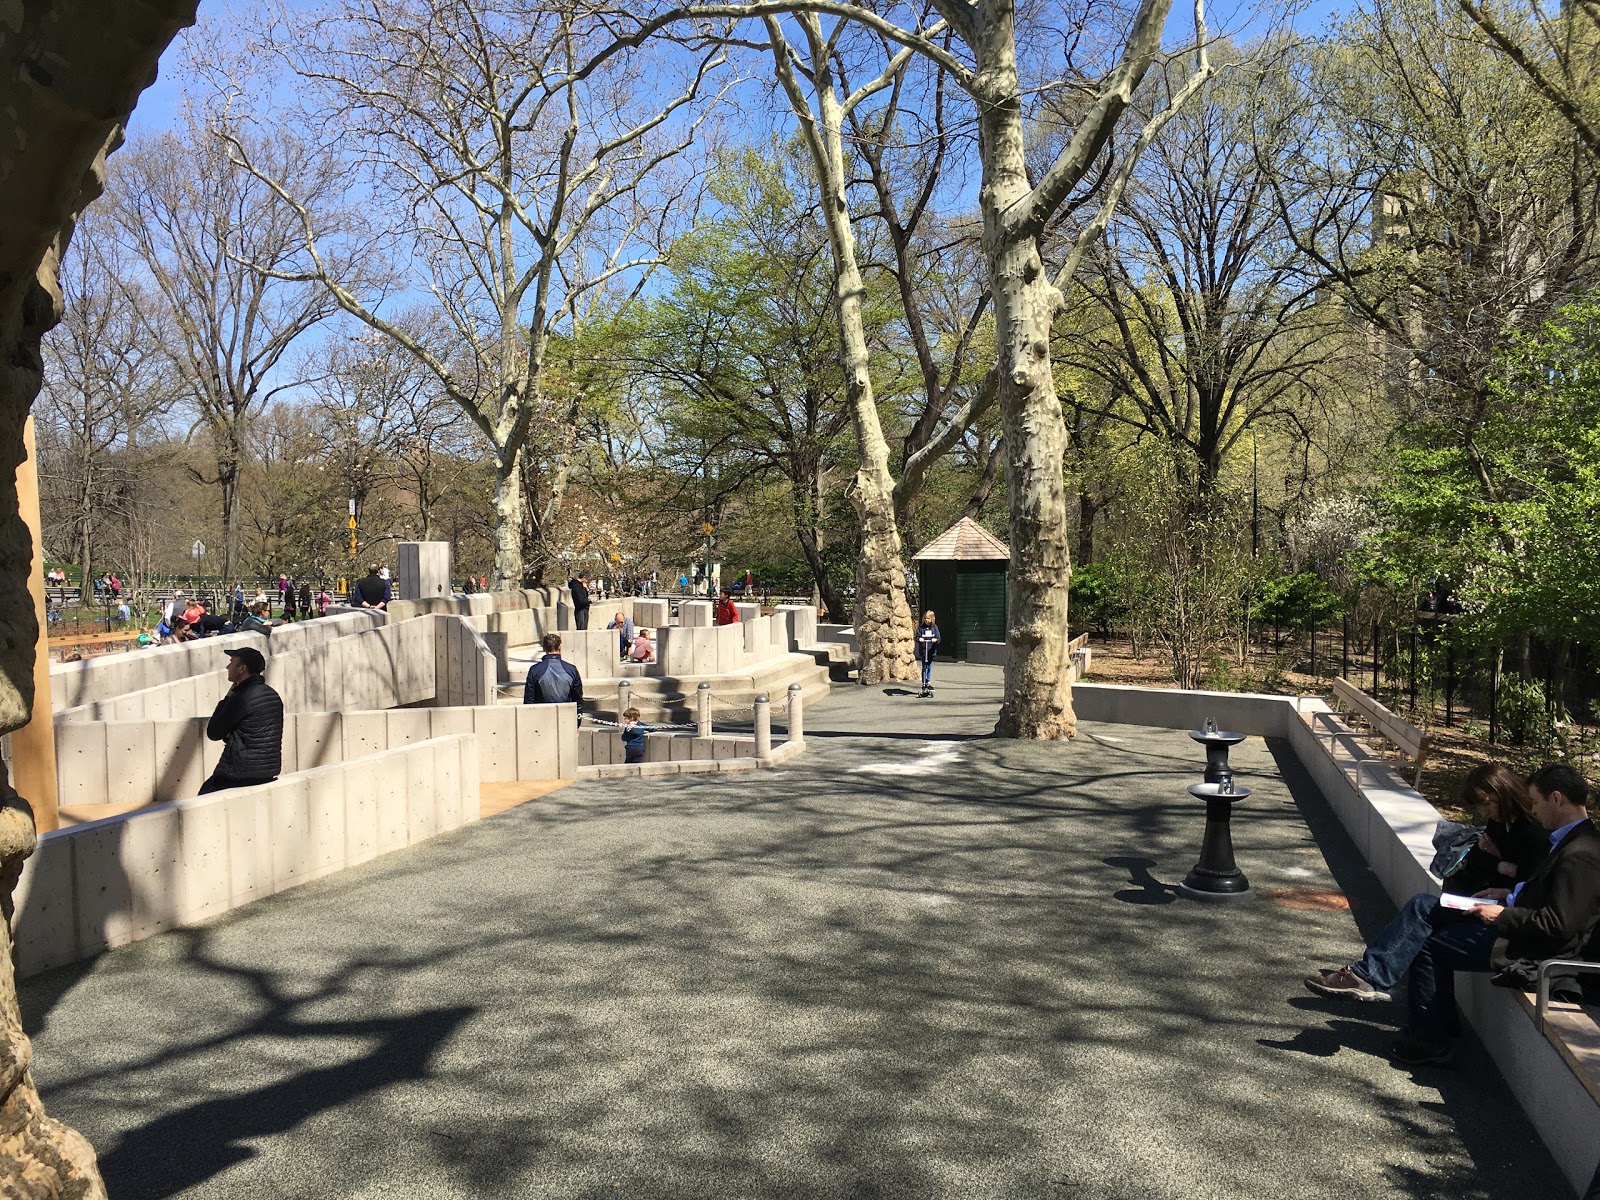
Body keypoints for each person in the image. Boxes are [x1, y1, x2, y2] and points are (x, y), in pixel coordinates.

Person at [1307, 763, 1600, 1066]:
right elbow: (1533, 889)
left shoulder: (1582, 853)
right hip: (1513, 922)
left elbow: (1559, 924)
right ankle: (1372, 980)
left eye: (1537, 802)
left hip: (1525, 946)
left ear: (1556, 798)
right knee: (1423, 906)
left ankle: (1427, 1036)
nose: (1534, 810)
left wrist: (1501, 914)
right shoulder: (1567, 841)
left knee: (1429, 943)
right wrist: (1507, 894)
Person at [1439, 763, 1549, 896]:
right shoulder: (1499, 822)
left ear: (1503, 794)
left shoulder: (1533, 830)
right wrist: (1502, 865)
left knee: (1418, 906)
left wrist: (1497, 861)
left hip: (1507, 907)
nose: (1484, 813)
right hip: (1478, 898)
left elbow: (1529, 878)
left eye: (1487, 804)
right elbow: (1476, 860)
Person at [200, 647, 283, 794]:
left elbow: (213, 732)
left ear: (242, 669)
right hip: (267, 770)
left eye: (231, 662)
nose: (227, 667)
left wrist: (227, 697)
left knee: (202, 799)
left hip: (240, 772)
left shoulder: (242, 697)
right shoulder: (272, 694)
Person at [524, 632, 583, 710]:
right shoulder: (571, 669)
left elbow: (529, 700)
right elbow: (578, 698)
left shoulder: (534, 670)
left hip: (542, 716)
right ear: (559, 648)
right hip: (567, 715)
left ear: (544, 648)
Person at [915, 610, 941, 697]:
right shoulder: (921, 628)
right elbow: (917, 637)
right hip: (923, 651)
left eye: (928, 618)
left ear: (932, 619)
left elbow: (938, 638)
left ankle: (928, 682)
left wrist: (935, 640)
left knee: (929, 666)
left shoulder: (934, 628)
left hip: (931, 650)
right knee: (924, 666)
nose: (926, 620)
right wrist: (919, 639)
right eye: (925, 618)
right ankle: (923, 683)